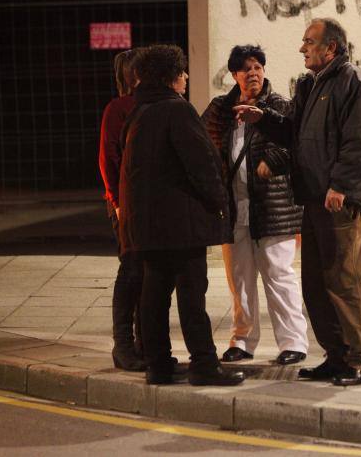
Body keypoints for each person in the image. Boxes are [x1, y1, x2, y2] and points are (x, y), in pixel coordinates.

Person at [234, 18, 361, 386]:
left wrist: (341, 185)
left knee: (345, 282)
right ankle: (336, 356)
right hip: (313, 199)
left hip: (338, 201)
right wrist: (263, 118)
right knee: (315, 283)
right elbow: (294, 132)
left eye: (308, 42)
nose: (302, 48)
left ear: (330, 48)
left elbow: (359, 142)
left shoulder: (354, 83)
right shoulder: (310, 85)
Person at [119, 44, 245, 386]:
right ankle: (204, 364)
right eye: (182, 72)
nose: (186, 77)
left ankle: (158, 365)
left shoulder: (139, 113)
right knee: (192, 296)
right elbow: (202, 165)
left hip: (147, 226)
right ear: (170, 76)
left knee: (154, 295)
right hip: (181, 224)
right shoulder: (177, 111)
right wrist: (219, 204)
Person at [201, 45, 308, 366]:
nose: (253, 73)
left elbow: (296, 145)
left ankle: (294, 342)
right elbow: (202, 147)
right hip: (234, 210)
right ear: (234, 75)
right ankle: (243, 340)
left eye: (258, 66)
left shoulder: (279, 106)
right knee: (240, 280)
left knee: (279, 275)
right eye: (246, 69)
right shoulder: (221, 110)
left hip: (274, 209)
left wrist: (273, 161)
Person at [98, 49, 144, 371]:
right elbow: (108, 160)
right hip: (126, 205)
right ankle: (124, 345)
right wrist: (117, 203)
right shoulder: (119, 109)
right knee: (131, 270)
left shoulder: (147, 104)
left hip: (148, 203)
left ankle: (143, 342)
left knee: (146, 273)